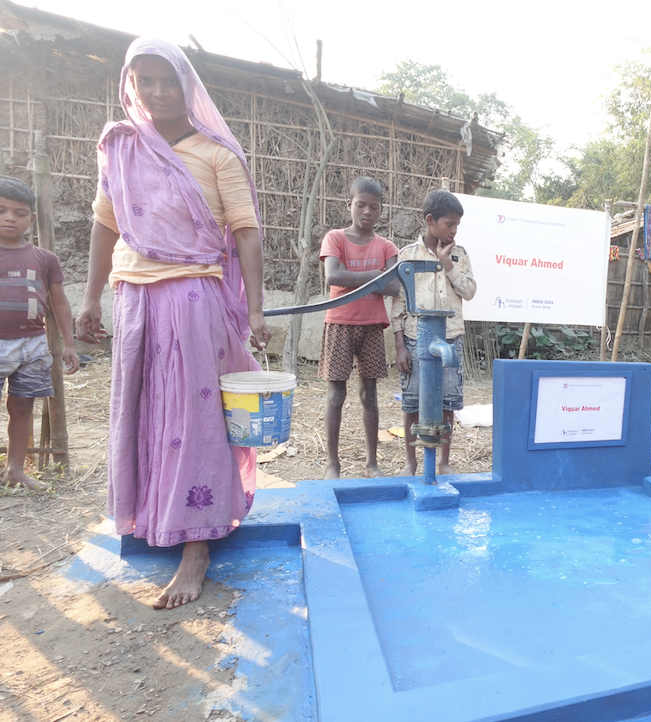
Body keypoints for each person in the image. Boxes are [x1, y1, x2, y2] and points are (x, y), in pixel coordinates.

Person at [75, 39, 272, 609]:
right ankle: (154, 516)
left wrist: (255, 309)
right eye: (146, 80)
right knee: (142, 412)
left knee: (195, 414)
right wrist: (91, 297)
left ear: (187, 86)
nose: (158, 91)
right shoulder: (120, 148)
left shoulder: (217, 155)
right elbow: (104, 224)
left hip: (193, 296)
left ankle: (196, 545)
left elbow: (246, 231)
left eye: (169, 80)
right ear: (129, 84)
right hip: (134, 296)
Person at [390, 189, 476, 476]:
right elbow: (398, 305)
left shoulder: (460, 255)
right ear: (430, 220)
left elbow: (470, 291)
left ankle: (444, 462)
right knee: (412, 402)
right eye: (449, 224)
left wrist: (447, 263)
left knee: (448, 402)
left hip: (450, 338)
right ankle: (411, 462)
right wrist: (401, 346)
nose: (453, 230)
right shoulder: (407, 256)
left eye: (457, 225)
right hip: (416, 339)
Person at [0, 177, 79, 489]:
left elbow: (58, 302)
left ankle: (15, 471)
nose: (10, 217)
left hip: (32, 346)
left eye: (19, 213)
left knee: (22, 406)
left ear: (31, 219)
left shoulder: (45, 258)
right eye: (2, 210)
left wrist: (69, 343)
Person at [319, 177, 400, 479]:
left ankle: (371, 463)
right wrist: (375, 274)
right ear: (349, 205)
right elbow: (333, 276)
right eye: (361, 205)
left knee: (369, 395)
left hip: (372, 327)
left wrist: (373, 277)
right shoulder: (335, 238)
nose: (367, 211)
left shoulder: (387, 245)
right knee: (335, 396)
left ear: (381, 210)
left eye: (374, 207)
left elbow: (392, 286)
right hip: (339, 323)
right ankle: (332, 464)